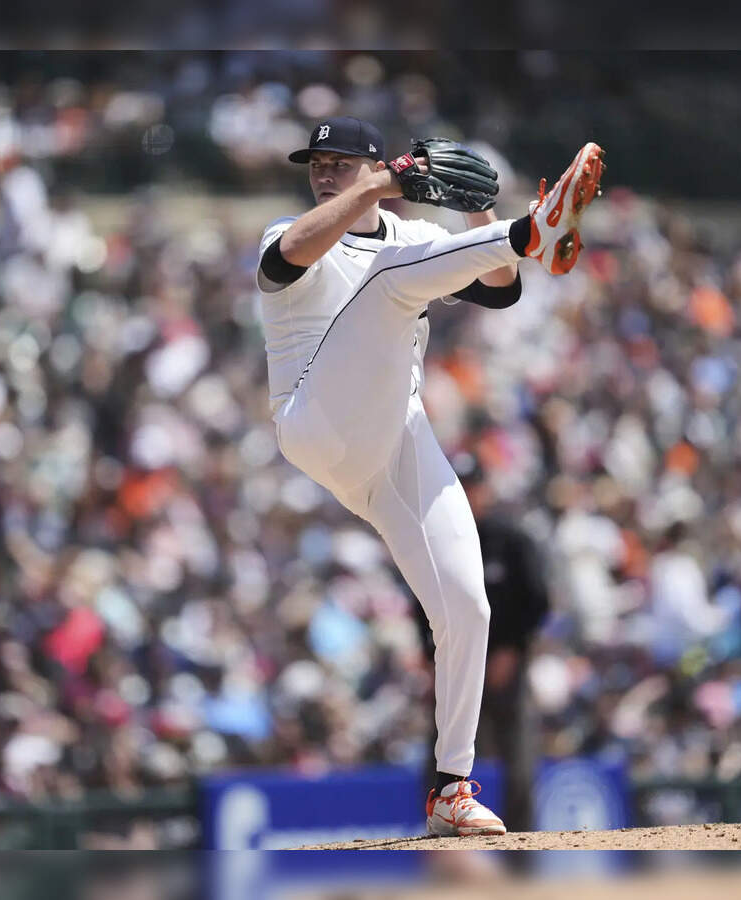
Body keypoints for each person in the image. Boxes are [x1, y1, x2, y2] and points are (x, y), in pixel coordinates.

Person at [255, 116, 603, 836]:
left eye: (341, 160)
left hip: (391, 440)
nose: (325, 171)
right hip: (313, 420)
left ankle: (451, 786)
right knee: (390, 285)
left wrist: (477, 208)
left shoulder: (413, 242)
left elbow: (501, 288)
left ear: (375, 162)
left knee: (468, 605)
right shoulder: (291, 230)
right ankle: (536, 225)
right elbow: (291, 255)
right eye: (317, 162)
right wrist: (387, 185)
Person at [414, 453, 551, 832]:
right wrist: (430, 658)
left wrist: (513, 650)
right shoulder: (436, 541)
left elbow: (537, 600)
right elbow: (419, 604)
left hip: (506, 667)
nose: (468, 495)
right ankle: (438, 843)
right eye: (461, 487)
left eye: (473, 486)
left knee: (520, 760)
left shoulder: (510, 540)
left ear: (485, 490)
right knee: (439, 758)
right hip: (456, 666)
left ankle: (523, 848)